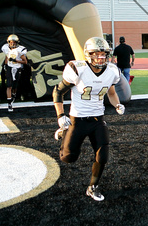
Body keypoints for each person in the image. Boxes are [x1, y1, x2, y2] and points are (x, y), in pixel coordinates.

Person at [53, 37, 125, 201]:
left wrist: (117, 105)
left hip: (97, 118)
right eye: (97, 54)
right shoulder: (78, 68)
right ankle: (65, 131)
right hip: (77, 118)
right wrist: (60, 116)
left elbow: (112, 93)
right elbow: (58, 91)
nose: (101, 57)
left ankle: (93, 187)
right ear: (88, 54)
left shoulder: (112, 71)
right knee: (68, 158)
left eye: (103, 54)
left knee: (103, 155)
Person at [1, 34, 28, 112]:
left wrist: (16, 61)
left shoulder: (20, 50)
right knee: (9, 85)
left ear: (17, 42)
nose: (12, 44)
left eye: (14, 42)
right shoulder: (6, 48)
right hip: (10, 67)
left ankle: (14, 94)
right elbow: (7, 56)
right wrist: (6, 65)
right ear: (8, 42)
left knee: (15, 85)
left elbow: (25, 61)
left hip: (17, 68)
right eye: (11, 42)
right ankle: (9, 104)